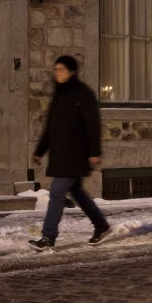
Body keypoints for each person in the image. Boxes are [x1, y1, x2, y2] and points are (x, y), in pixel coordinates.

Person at [29, 55, 112, 249]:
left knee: (57, 192)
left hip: (76, 154)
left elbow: (93, 125)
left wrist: (94, 151)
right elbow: (51, 127)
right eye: (56, 69)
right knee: (77, 192)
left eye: (62, 70)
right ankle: (101, 225)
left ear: (72, 72)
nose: (57, 73)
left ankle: (48, 237)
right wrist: (40, 151)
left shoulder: (83, 94)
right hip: (60, 154)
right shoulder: (59, 95)